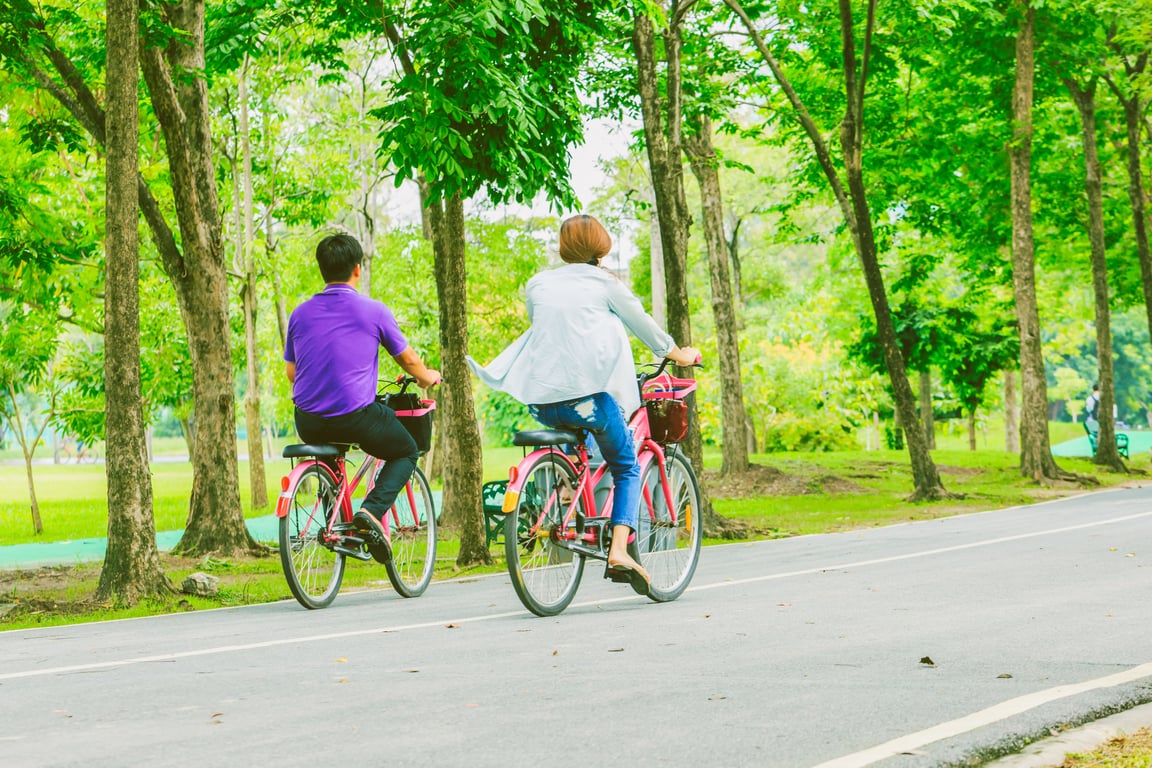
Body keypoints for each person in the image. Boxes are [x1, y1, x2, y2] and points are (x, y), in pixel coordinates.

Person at [468, 214, 700, 596]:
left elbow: (553, 332)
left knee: (586, 448)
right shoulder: (605, 283)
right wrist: (681, 355)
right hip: (587, 402)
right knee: (625, 465)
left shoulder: (539, 283)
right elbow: (643, 325)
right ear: (601, 247)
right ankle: (619, 552)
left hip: (541, 401)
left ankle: (570, 492)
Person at [284, 234, 440, 562]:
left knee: (330, 454)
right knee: (407, 451)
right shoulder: (373, 311)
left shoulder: (299, 314)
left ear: (322, 270)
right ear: (358, 268)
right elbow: (409, 360)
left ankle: (336, 527)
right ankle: (370, 513)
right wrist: (429, 377)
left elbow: (292, 374)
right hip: (355, 417)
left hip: (308, 420)